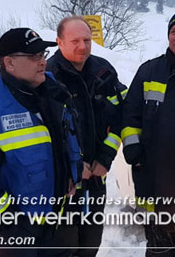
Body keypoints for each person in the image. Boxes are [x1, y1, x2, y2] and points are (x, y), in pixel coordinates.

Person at [0, 27, 83, 257]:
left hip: (56, 220)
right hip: (15, 234)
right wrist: (10, 225)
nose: (42, 62)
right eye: (33, 56)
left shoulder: (51, 91)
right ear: (9, 63)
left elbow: (65, 140)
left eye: (43, 55)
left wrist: (70, 176)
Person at [121, 9, 175, 256]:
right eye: (173, 31)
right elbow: (130, 113)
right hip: (153, 179)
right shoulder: (149, 71)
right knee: (159, 248)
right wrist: (133, 149)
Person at [46, 16, 128, 256]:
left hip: (95, 178)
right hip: (64, 184)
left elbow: (121, 115)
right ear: (59, 42)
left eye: (87, 40)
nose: (82, 46)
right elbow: (47, 132)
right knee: (65, 247)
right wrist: (73, 165)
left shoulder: (103, 72)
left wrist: (105, 158)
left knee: (90, 245)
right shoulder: (48, 77)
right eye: (75, 41)